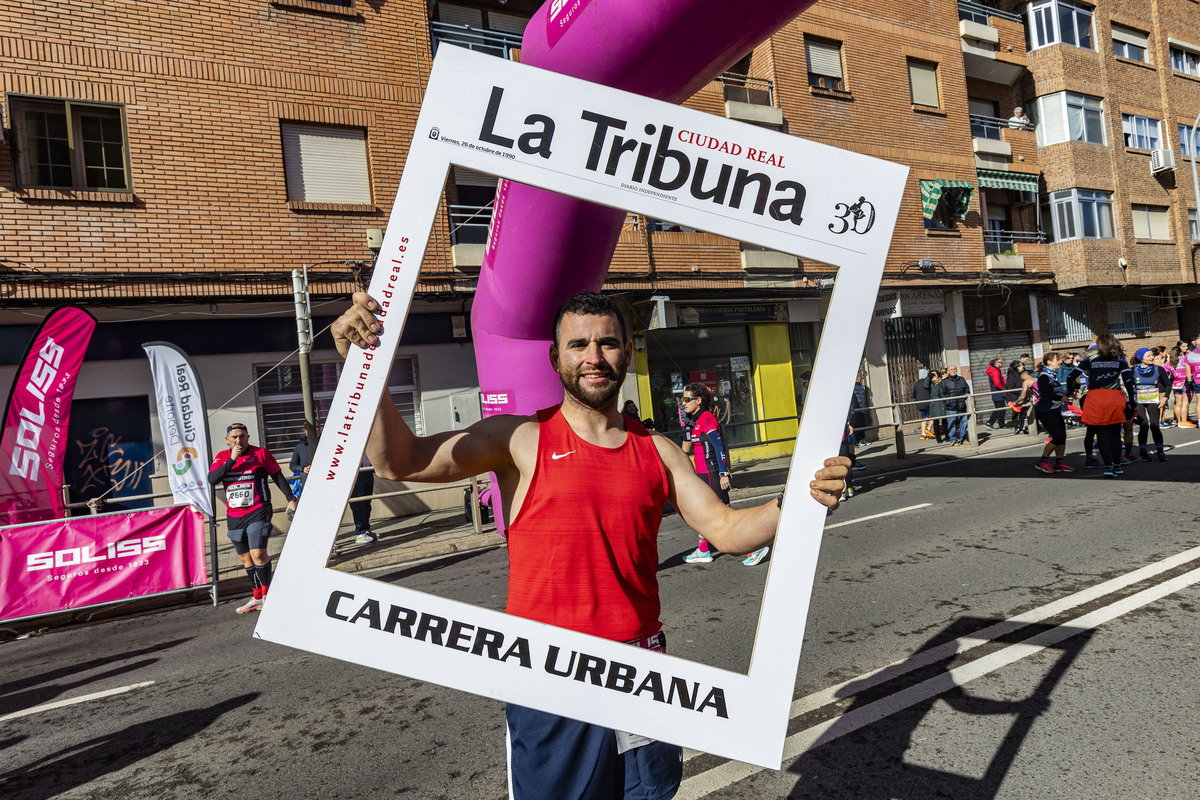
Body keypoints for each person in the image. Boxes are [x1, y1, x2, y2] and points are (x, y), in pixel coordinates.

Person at [331, 290, 849, 800]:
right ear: (556, 358)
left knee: (648, 795)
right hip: (550, 673)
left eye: (607, 343)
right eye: (578, 345)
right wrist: (366, 365)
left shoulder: (658, 450)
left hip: (642, 672)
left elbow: (727, 530)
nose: (594, 357)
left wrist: (797, 501)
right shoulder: (518, 439)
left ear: (627, 351)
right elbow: (398, 461)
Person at [208, 422, 297, 613]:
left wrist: (291, 499)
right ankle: (257, 597)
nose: (238, 440)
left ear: (248, 437)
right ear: (227, 440)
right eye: (234, 437)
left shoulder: (261, 454)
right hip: (235, 515)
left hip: (259, 510)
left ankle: (268, 595)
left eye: (242, 436)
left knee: (257, 553)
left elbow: (278, 477)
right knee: (245, 558)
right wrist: (232, 460)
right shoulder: (222, 457)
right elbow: (212, 479)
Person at [680, 384, 768, 567]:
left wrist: (723, 473)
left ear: (699, 400)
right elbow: (685, 449)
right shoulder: (695, 420)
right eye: (683, 399)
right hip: (702, 473)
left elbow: (718, 447)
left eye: (687, 399)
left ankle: (755, 546)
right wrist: (686, 426)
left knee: (726, 515)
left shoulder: (706, 418)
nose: (683, 402)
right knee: (701, 513)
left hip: (712, 472)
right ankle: (703, 550)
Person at [1072, 333, 1135, 478]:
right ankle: (1117, 466)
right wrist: (1131, 400)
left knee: (1100, 434)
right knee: (1115, 433)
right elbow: (1128, 381)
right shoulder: (1120, 360)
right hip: (1114, 398)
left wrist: (1070, 391)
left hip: (1094, 399)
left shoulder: (1091, 360)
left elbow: (1071, 376)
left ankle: (1107, 466)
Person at [1032, 353, 1076, 474]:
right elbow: (1046, 393)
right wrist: (1061, 399)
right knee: (1057, 437)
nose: (1060, 362)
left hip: (1054, 410)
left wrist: (1068, 393)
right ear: (1049, 362)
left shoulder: (1053, 375)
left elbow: (1057, 391)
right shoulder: (1044, 376)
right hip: (1045, 411)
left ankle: (1059, 462)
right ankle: (1042, 461)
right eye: (1058, 359)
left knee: (1063, 436)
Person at [1132, 347, 1170, 462]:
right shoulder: (1133, 371)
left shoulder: (1159, 369)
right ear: (1140, 358)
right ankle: (1143, 453)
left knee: (1154, 425)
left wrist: (1165, 398)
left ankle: (1160, 451)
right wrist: (1132, 401)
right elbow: (1127, 387)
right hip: (1139, 401)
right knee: (1143, 425)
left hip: (1153, 400)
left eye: (1152, 355)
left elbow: (1168, 385)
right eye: (1148, 356)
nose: (1152, 357)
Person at [939, 364, 970, 445]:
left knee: (963, 423)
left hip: (961, 405)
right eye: (951, 369)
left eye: (955, 369)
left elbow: (967, 389)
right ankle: (952, 440)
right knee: (952, 423)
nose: (953, 371)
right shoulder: (944, 381)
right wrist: (947, 402)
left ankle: (963, 439)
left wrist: (965, 396)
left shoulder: (961, 379)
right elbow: (941, 394)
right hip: (951, 407)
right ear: (948, 371)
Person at [1172, 341, 1194, 427]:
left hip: (1175, 384)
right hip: (1185, 383)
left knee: (1178, 404)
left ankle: (1179, 421)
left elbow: (1165, 369)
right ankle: (1184, 422)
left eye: (1187, 346)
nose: (1186, 348)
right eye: (1184, 346)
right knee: (1185, 403)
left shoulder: (1172, 360)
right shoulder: (1185, 359)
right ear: (1179, 348)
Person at [984, 357, 1007, 429]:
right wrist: (1003, 389)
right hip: (998, 393)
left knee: (999, 409)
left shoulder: (995, 370)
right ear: (996, 363)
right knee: (1000, 409)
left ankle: (992, 423)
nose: (1001, 363)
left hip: (997, 393)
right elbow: (997, 384)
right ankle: (995, 423)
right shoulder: (995, 372)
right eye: (1000, 362)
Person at [913, 368, 933, 440]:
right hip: (929, 403)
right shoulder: (928, 382)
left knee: (923, 418)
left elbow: (914, 395)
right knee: (933, 417)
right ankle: (928, 428)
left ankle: (923, 434)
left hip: (920, 404)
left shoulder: (916, 384)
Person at [927, 369, 946, 443]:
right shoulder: (930, 384)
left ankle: (947, 436)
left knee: (945, 421)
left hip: (942, 403)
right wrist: (929, 377)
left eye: (936, 374)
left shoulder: (942, 381)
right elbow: (925, 385)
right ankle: (938, 439)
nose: (935, 376)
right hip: (934, 404)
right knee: (936, 422)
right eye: (933, 375)